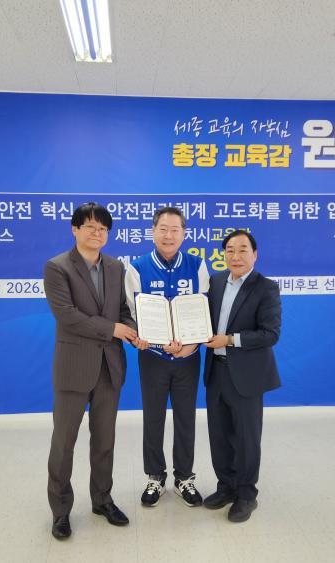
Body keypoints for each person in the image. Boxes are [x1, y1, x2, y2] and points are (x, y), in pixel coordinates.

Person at [44, 202, 138, 540]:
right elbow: (67, 315)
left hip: (109, 367)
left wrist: (132, 330)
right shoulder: (57, 267)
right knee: (64, 442)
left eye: (103, 228)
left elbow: (124, 309)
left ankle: (102, 500)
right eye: (90, 227)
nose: (97, 233)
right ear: (75, 229)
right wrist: (113, 329)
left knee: (104, 441)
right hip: (74, 367)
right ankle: (60, 510)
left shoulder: (116, 267)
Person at [125, 206, 210, 507]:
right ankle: (155, 477)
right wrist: (143, 338)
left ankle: (184, 477)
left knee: (186, 418)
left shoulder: (197, 266)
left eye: (175, 229)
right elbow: (132, 314)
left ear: (184, 234)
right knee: (153, 417)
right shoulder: (137, 268)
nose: (169, 235)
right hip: (153, 358)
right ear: (153, 231)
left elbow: (204, 310)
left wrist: (190, 345)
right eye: (163, 229)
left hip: (188, 358)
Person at [202, 229, 282, 523]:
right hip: (216, 371)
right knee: (219, 435)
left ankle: (247, 494)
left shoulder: (266, 288)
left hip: (247, 376)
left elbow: (270, 334)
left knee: (247, 438)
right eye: (230, 250)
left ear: (255, 254)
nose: (235, 256)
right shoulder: (216, 282)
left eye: (242, 250)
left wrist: (230, 340)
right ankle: (226, 487)